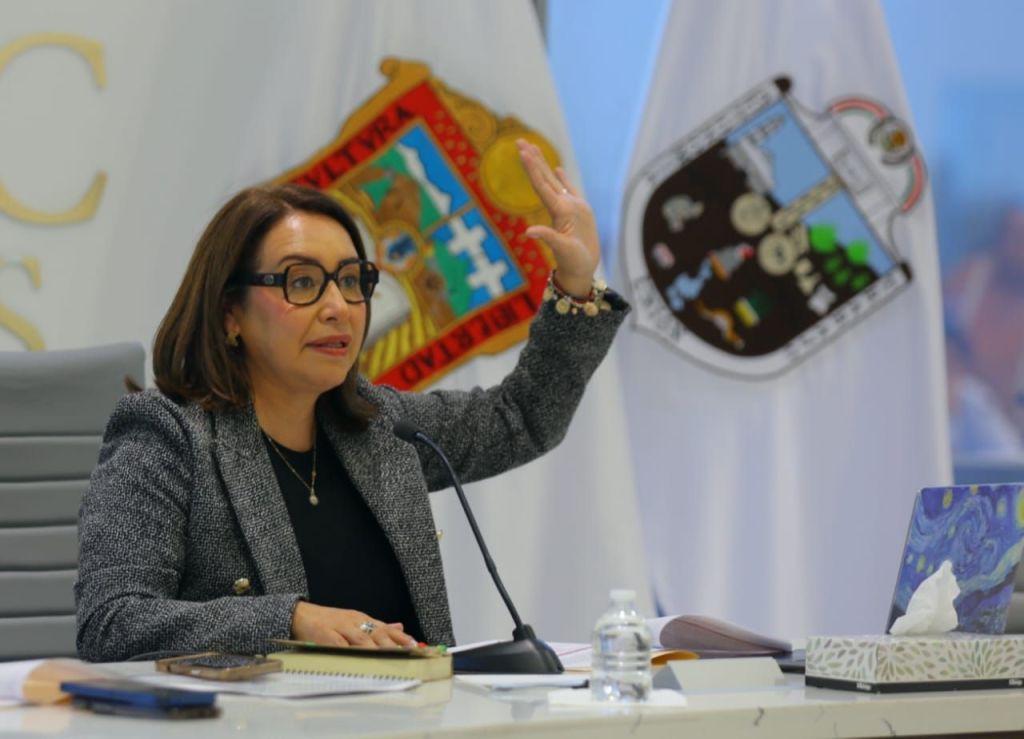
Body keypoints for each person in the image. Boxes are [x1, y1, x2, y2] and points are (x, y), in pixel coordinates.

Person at [74, 140, 629, 662]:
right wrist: (290, 620)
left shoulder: (379, 428)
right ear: (230, 314)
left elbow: (522, 419)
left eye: (350, 280)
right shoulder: (167, 436)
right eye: (301, 282)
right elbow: (111, 623)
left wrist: (575, 285)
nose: (339, 306)